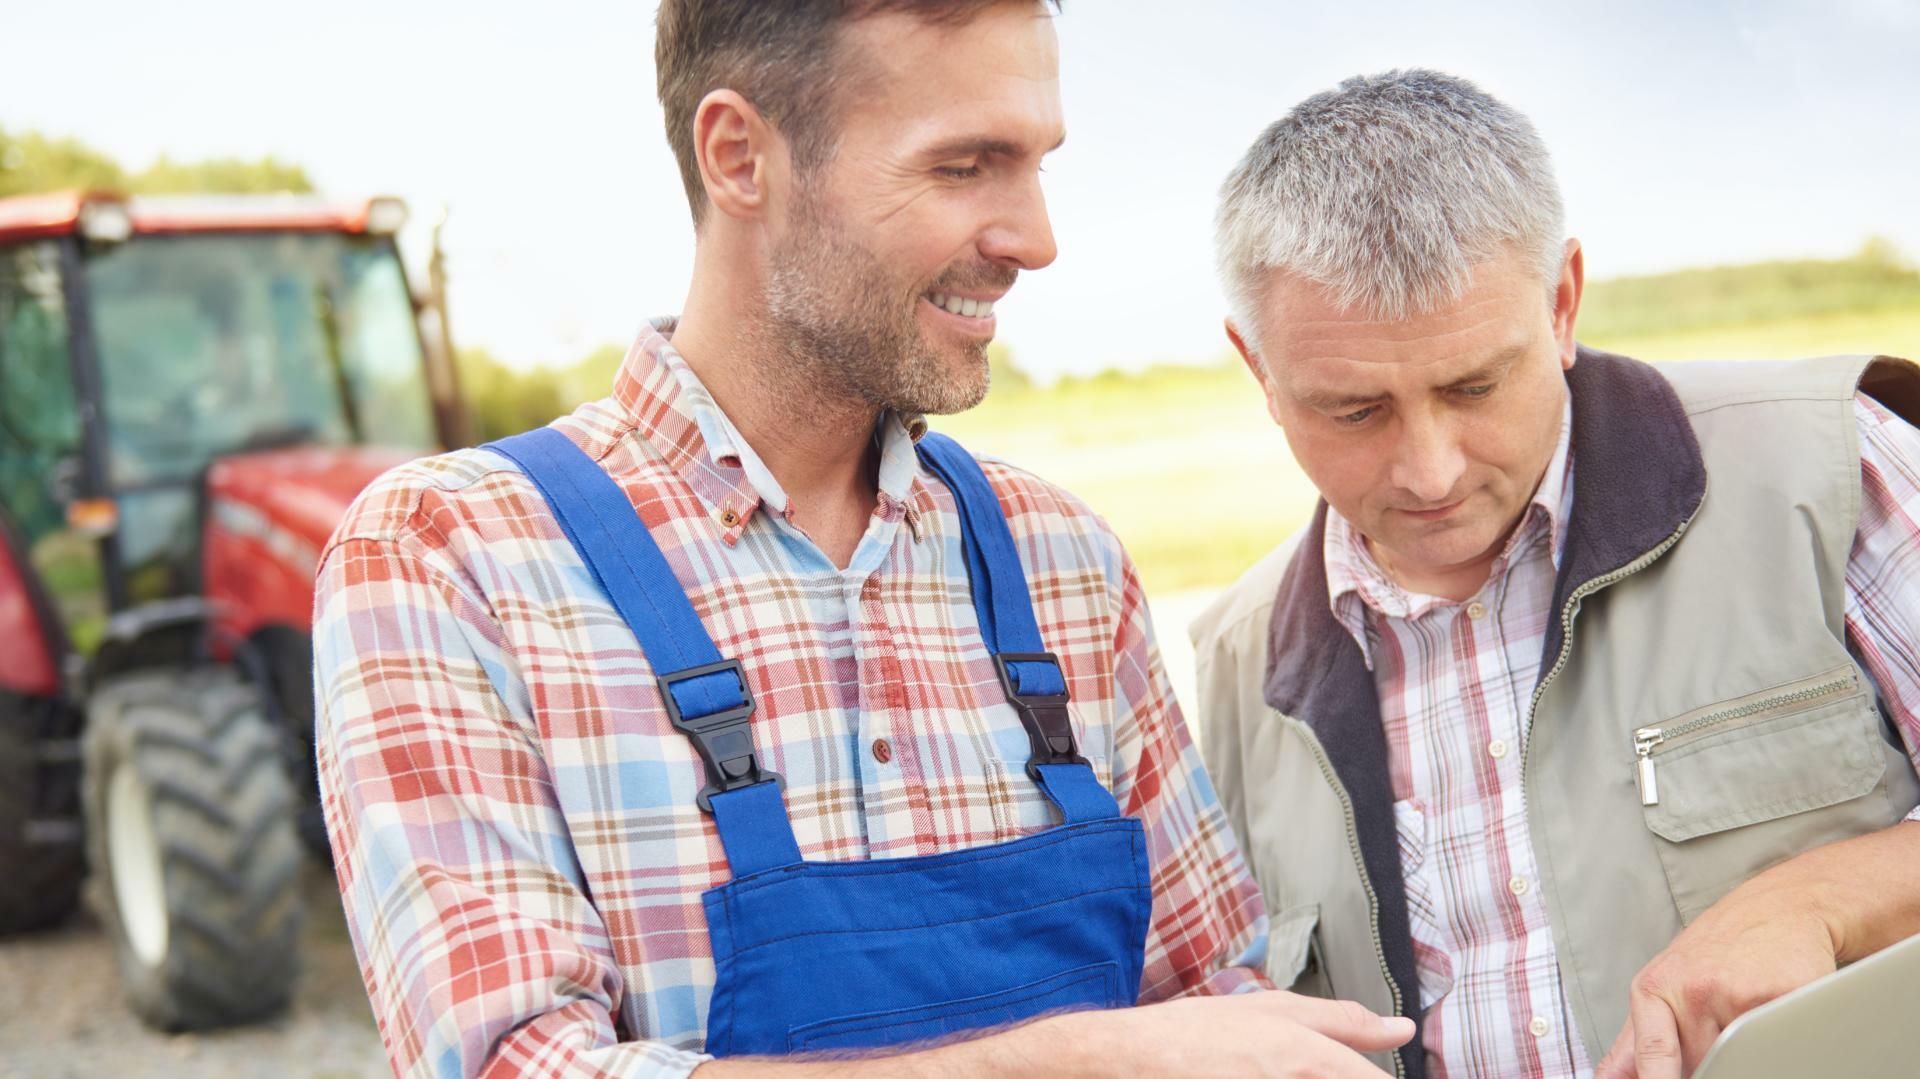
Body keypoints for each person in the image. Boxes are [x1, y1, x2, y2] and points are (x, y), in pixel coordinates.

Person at [314, 4, 1416, 1077]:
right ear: (741, 157)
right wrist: (1080, 1059)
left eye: (1037, 163)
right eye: (963, 166)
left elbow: (1204, 1004)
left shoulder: (1061, 559)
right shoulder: (449, 559)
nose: (1034, 238)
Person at [1191, 68, 1920, 1079]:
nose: (1430, 469)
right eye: (1353, 410)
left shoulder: (1833, 468)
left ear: (1563, 301)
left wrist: (1822, 900)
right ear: (1259, 369)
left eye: (1474, 383)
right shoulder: (1229, 659)